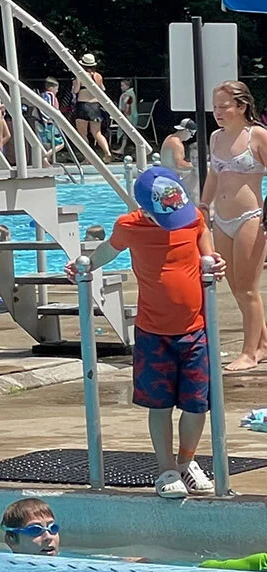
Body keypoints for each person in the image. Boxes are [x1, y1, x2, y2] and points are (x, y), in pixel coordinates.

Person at [69, 167, 215, 495]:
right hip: (153, 333)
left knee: (197, 405)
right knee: (159, 405)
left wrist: (210, 256)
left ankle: (186, 461)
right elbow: (110, 249)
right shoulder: (129, 226)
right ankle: (166, 470)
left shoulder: (190, 216)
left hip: (195, 330)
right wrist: (87, 265)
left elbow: (201, 231)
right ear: (145, 211)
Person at [200, 80, 267, 371]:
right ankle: (262, 343)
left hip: (249, 218)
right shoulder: (216, 138)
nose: (218, 112)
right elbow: (214, 175)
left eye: (224, 106)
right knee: (235, 286)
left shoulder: (257, 136)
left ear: (241, 106)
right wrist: (204, 206)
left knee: (248, 288)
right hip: (222, 220)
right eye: (215, 107)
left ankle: (249, 352)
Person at [70, 54, 111, 158]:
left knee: (82, 133)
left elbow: (76, 91)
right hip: (95, 106)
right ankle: (107, 152)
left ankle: (88, 157)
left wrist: (75, 84)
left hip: (83, 105)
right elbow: (102, 90)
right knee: (97, 133)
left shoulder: (80, 75)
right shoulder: (98, 76)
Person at [160, 117, 199, 199]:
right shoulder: (177, 144)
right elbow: (180, 165)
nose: (191, 137)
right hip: (172, 179)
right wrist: (197, 165)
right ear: (186, 131)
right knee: (197, 174)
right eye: (192, 134)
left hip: (166, 175)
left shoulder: (170, 137)